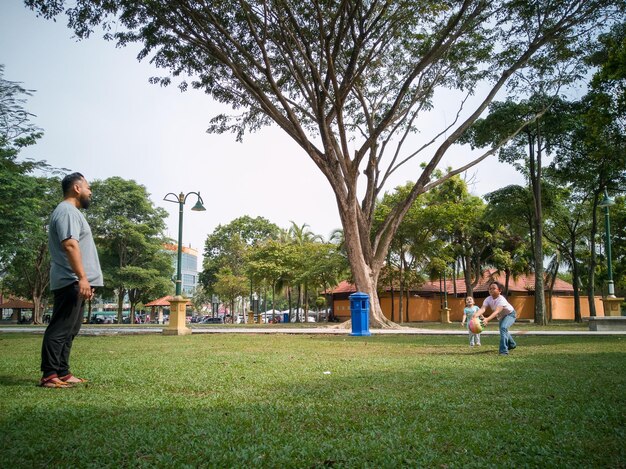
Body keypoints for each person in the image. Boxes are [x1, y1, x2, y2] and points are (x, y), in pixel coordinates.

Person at [39, 173, 103, 388]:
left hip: (75, 281)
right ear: (77, 188)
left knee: (70, 329)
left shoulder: (71, 212)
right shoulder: (66, 211)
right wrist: (82, 278)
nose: (90, 191)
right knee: (60, 328)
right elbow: (70, 245)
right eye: (88, 187)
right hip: (71, 280)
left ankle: (63, 372)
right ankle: (49, 375)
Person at [476, 281, 517, 356]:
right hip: (502, 316)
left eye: (494, 288)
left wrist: (487, 319)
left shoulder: (501, 299)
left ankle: (503, 351)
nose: (491, 290)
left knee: (503, 328)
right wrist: (475, 316)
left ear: (500, 290)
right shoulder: (488, 299)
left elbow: (497, 312)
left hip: (510, 314)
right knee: (503, 329)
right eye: (490, 288)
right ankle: (512, 344)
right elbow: (483, 309)